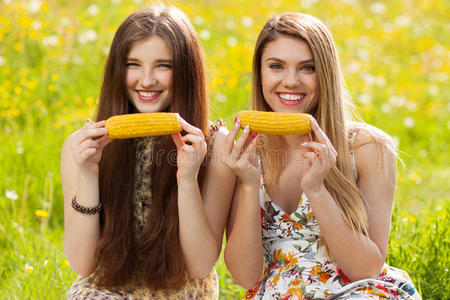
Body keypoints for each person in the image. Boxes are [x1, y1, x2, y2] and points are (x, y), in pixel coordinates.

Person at [222, 13, 421, 299]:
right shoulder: (245, 151)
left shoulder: (368, 149)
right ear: (260, 73)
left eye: (307, 68)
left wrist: (317, 190)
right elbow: (244, 276)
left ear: (325, 74)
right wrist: (249, 185)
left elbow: (366, 269)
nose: (291, 81)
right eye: (276, 66)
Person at [60, 5, 235, 299]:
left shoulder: (215, 146)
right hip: (106, 287)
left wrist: (188, 180)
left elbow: (199, 264)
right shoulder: (80, 147)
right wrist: (88, 175)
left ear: (186, 72)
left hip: (180, 289)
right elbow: (82, 263)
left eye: (163, 66)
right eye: (133, 64)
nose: (146, 80)